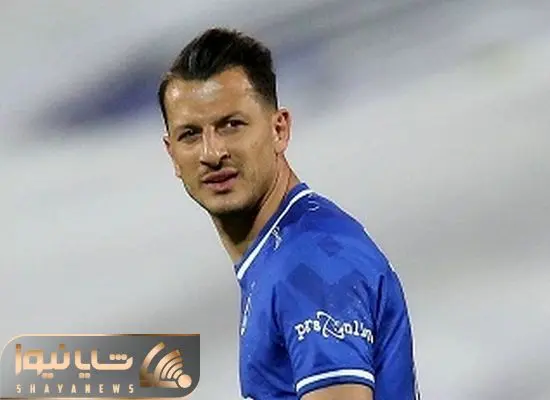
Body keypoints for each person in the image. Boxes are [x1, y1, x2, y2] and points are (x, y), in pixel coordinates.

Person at [158, 27, 420, 400]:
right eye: (190, 134)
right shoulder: (283, 253)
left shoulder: (310, 266)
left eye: (231, 125)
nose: (212, 153)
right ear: (172, 154)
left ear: (279, 130)